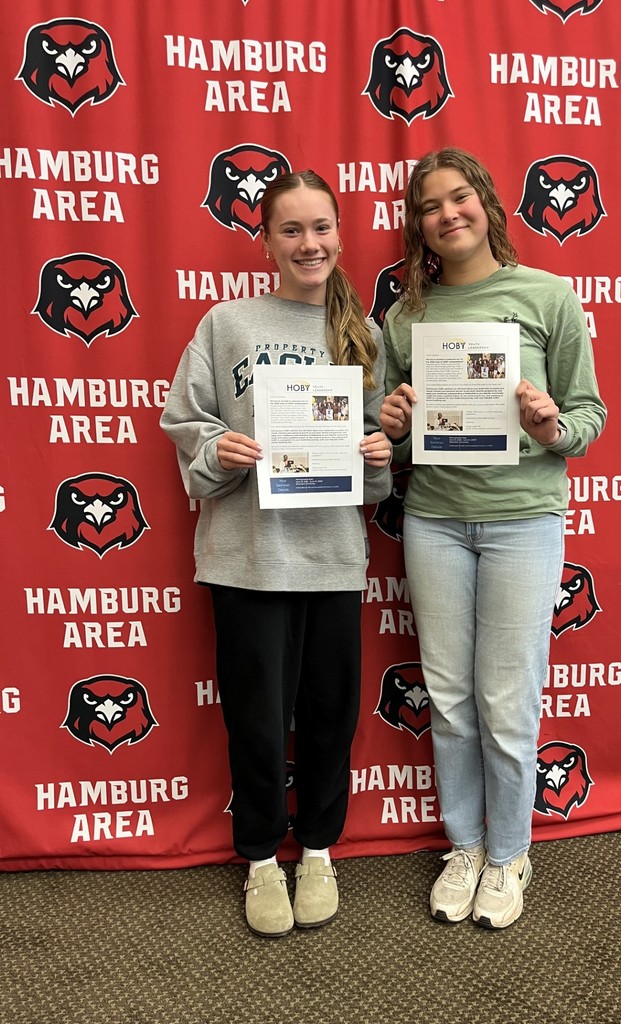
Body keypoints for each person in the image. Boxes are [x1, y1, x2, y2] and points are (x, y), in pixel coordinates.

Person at [160, 170, 392, 938]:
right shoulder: (227, 323)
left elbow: (375, 478)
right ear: (265, 242)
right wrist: (216, 449)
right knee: (256, 719)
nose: (308, 243)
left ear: (339, 234)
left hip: (330, 556)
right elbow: (184, 421)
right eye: (290, 230)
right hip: (246, 556)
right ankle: (261, 857)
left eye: (320, 227)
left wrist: (377, 451)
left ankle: (318, 849)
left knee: (330, 715)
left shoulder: (365, 333)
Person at [380, 148, 606, 930]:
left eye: (459, 197)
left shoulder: (548, 296)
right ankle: (466, 845)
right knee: (449, 697)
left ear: (486, 202)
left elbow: (588, 418)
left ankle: (511, 853)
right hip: (434, 520)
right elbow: (393, 444)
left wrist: (553, 425)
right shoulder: (406, 317)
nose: (448, 214)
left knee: (506, 701)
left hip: (522, 522)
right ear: (420, 229)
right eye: (430, 206)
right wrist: (395, 427)